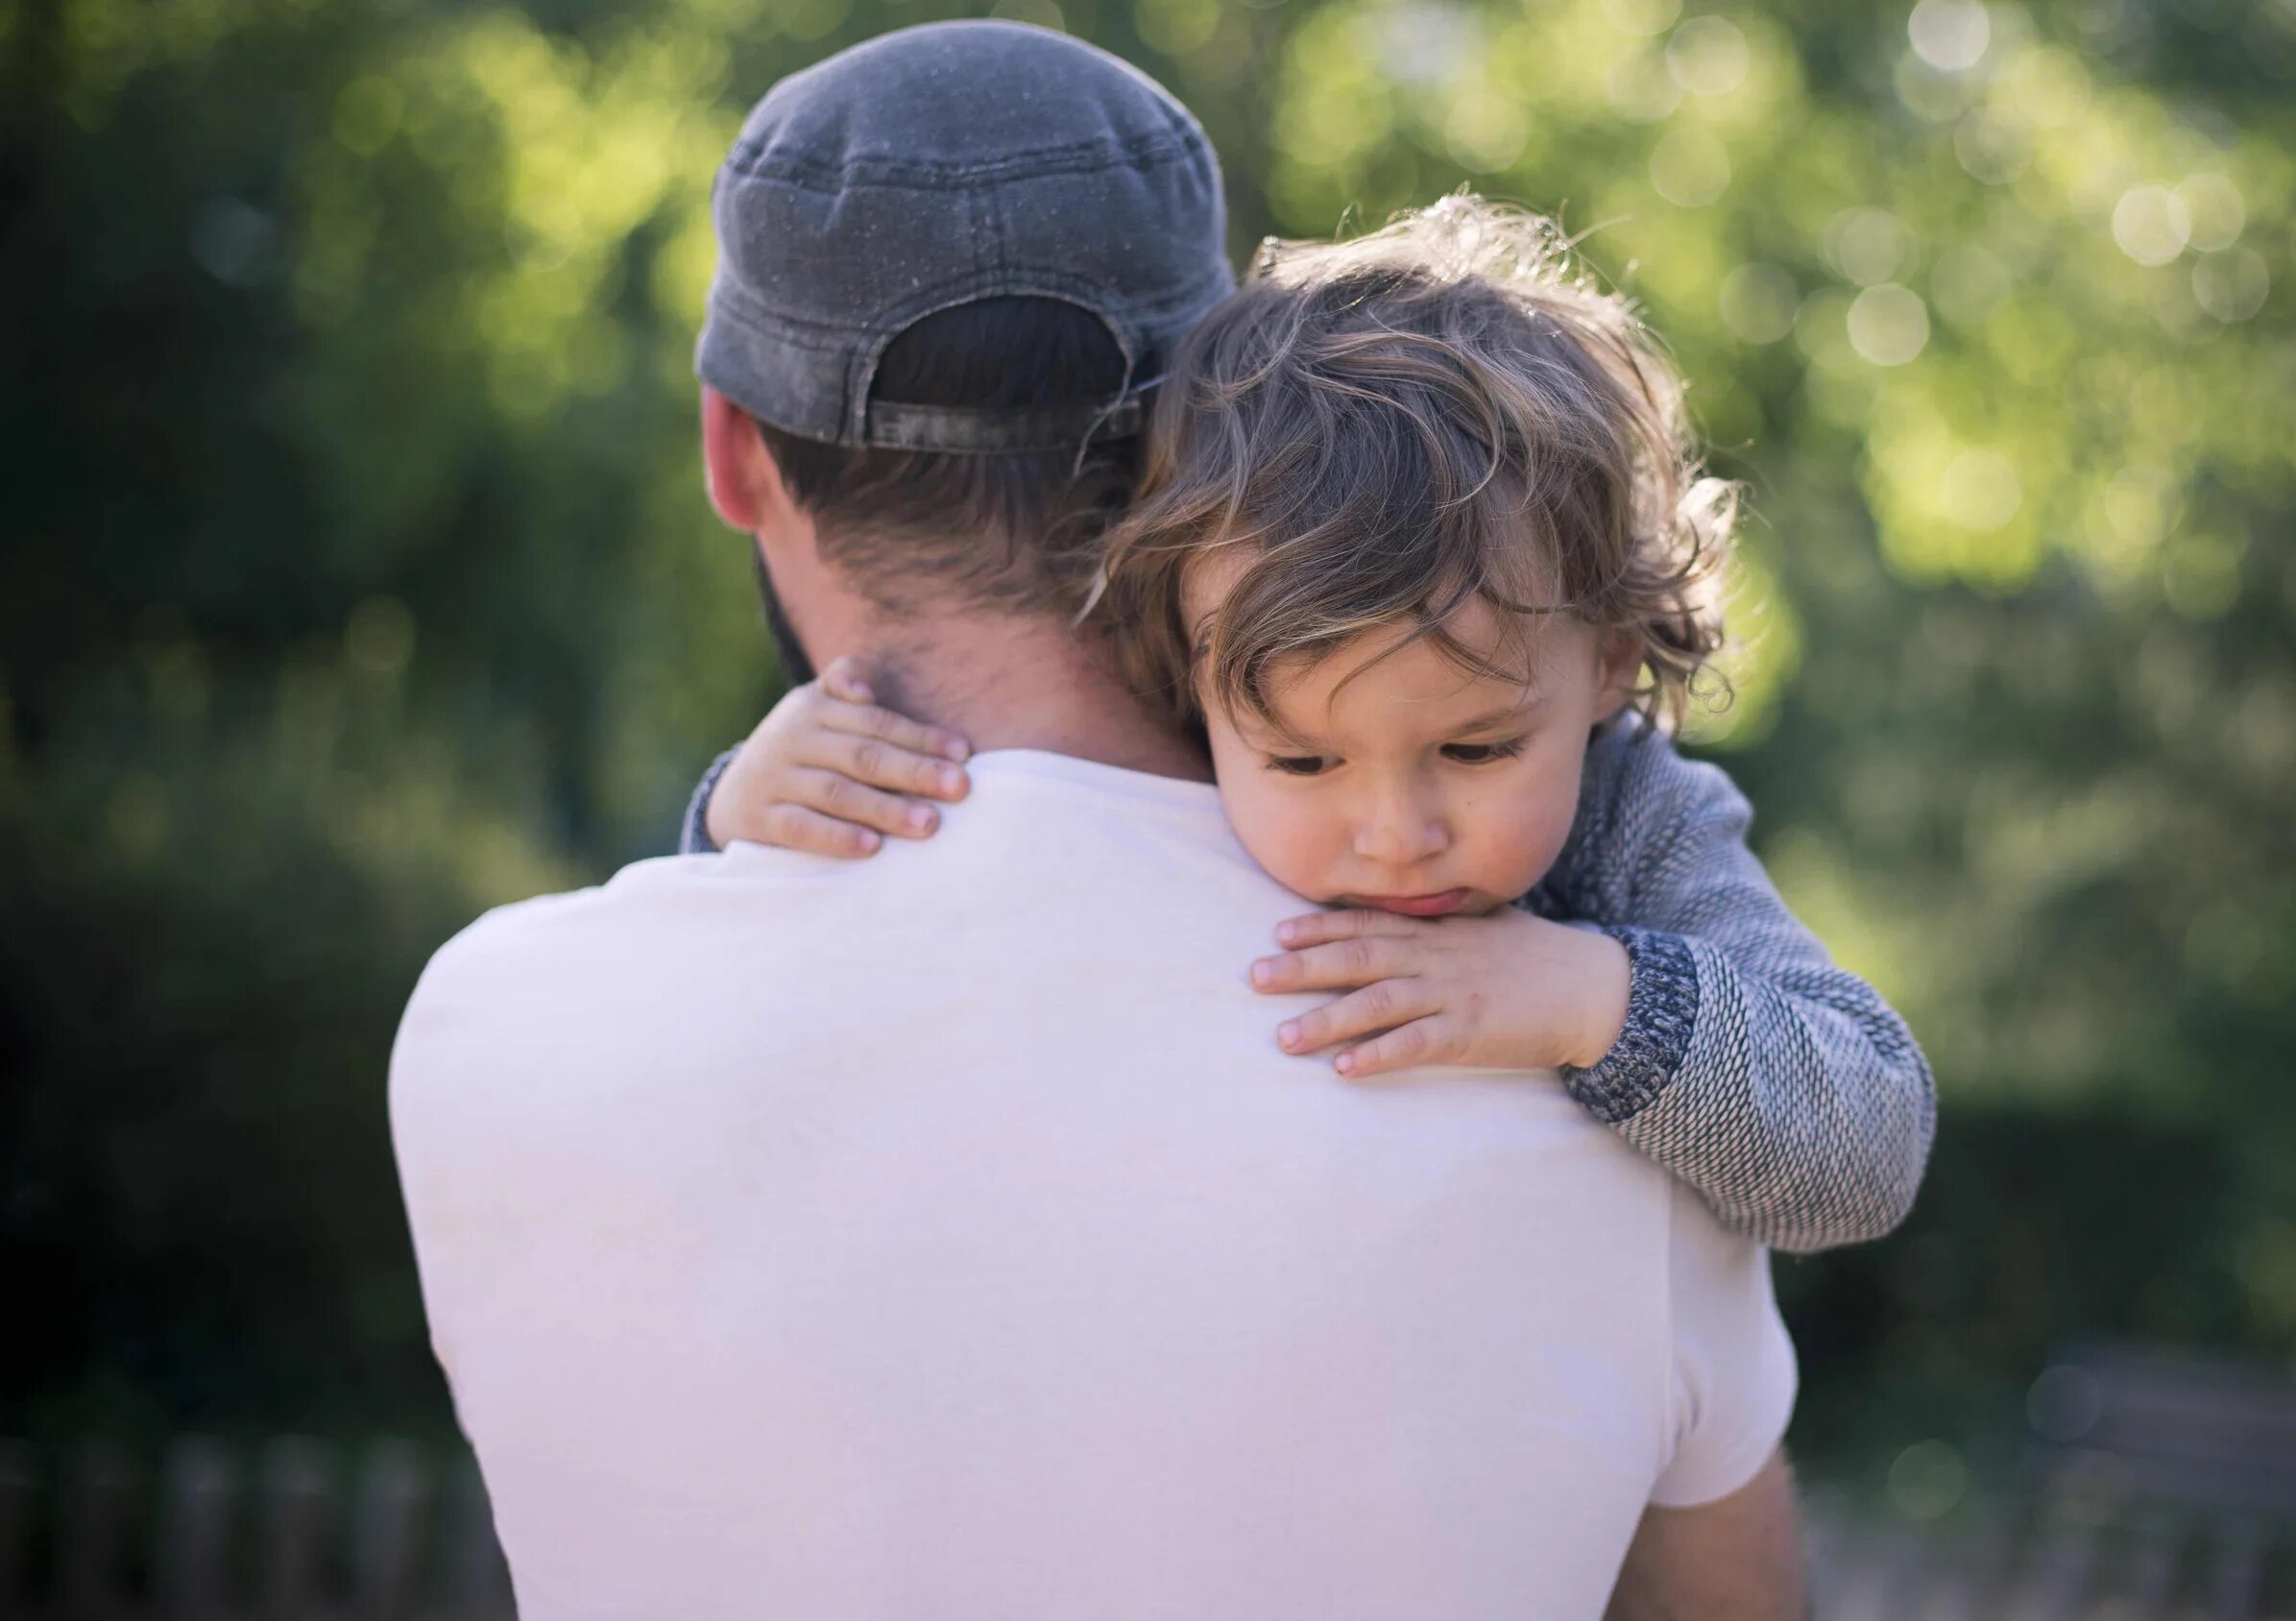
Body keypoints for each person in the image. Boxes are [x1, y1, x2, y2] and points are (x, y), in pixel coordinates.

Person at [392, 22, 1809, 1618]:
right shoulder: (1589, 1069)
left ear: (733, 451)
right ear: (1205, 458)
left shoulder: (488, 1029)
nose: (1399, 828)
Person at [683, 201, 1937, 1255]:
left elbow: (1870, 1140)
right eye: (1304, 761)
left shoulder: (1633, 829)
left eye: (1478, 748)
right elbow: (839, 979)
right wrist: (740, 818)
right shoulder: (1164, 772)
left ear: (1609, 661)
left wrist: (1598, 998)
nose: (1395, 835)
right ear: (1187, 679)